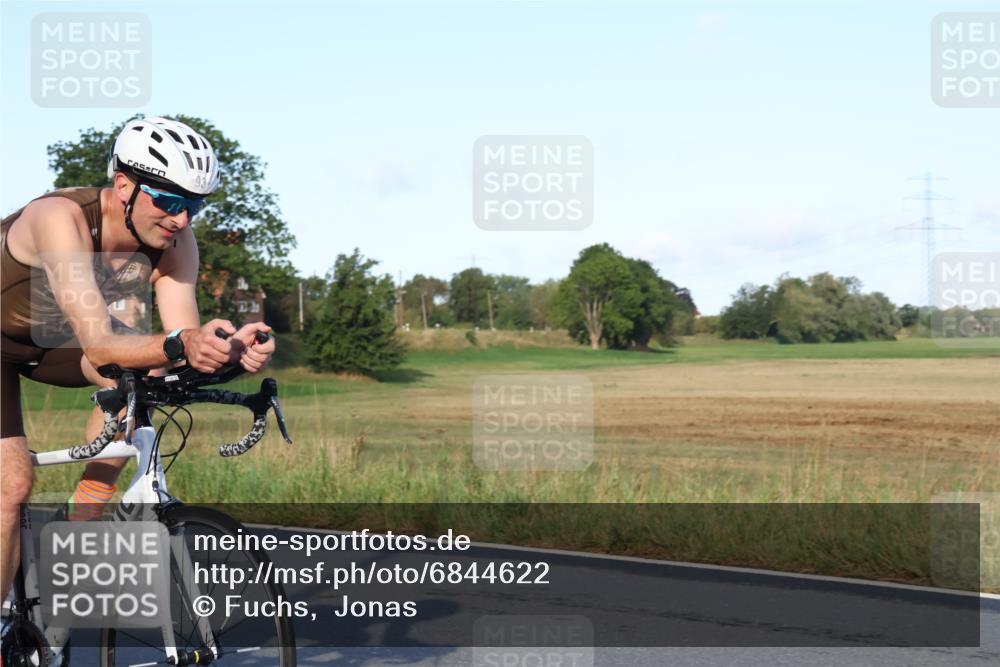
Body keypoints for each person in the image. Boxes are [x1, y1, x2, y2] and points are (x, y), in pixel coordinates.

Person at [0, 116, 276, 603]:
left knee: (152, 373)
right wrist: (182, 342)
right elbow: (103, 344)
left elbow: (180, 342)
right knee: (12, 486)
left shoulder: (176, 242)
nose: (182, 219)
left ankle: (81, 521)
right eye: (169, 201)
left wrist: (230, 351)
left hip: (52, 344)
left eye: (194, 205)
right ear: (124, 185)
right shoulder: (59, 218)